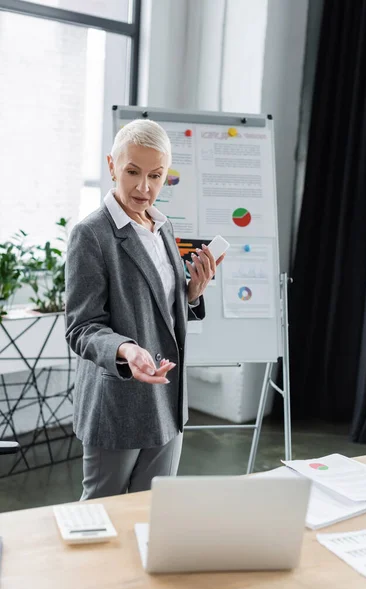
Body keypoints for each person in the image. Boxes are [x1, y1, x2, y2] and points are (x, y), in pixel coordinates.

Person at [65, 119, 224, 499]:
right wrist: (125, 349)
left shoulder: (162, 226)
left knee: (151, 512)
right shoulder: (91, 235)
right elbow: (81, 327)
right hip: (119, 399)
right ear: (111, 166)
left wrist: (193, 293)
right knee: (103, 514)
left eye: (156, 175)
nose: (144, 187)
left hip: (168, 399)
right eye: (132, 172)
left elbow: (162, 308)